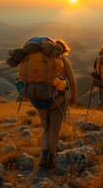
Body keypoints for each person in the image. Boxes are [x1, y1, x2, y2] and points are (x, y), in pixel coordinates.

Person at [38, 39, 77, 168]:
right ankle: (51, 158)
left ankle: (44, 155)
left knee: (46, 129)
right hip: (59, 101)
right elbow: (71, 80)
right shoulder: (64, 61)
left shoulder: (41, 60)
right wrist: (73, 97)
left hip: (41, 100)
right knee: (54, 131)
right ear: (63, 50)